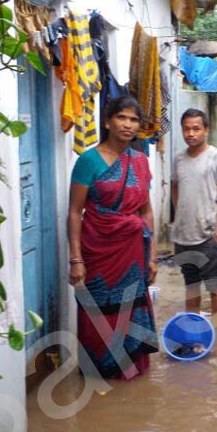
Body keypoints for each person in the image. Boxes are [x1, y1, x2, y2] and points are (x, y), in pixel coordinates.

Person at [67, 95, 158, 380]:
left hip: (132, 252)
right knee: (97, 312)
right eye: (122, 117)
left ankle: (131, 376)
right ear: (108, 121)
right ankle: (99, 375)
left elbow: (147, 211)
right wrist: (75, 259)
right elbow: (74, 212)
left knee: (131, 307)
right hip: (97, 252)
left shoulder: (141, 161)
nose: (128, 125)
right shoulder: (88, 161)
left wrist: (152, 256)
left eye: (133, 120)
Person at [171, 108, 217, 322]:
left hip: (207, 236)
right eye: (186, 129)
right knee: (191, 286)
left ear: (206, 130)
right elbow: (175, 187)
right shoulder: (178, 159)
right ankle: (194, 333)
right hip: (182, 237)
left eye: (196, 129)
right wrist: (180, 216)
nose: (191, 133)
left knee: (214, 286)